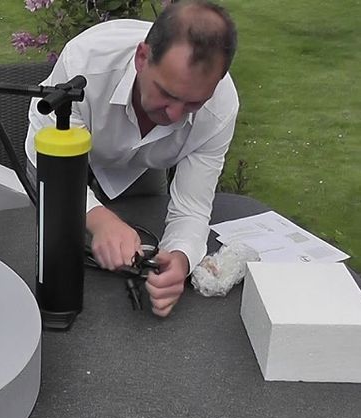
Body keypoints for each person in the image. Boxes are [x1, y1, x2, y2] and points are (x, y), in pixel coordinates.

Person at [24, 0, 238, 317]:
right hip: (63, 161)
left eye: (193, 103)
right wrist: (99, 219)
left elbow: (192, 208)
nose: (175, 115)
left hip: (144, 169)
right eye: (167, 93)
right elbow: (40, 156)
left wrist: (179, 258)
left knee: (136, 235)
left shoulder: (219, 109)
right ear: (142, 58)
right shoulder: (85, 61)